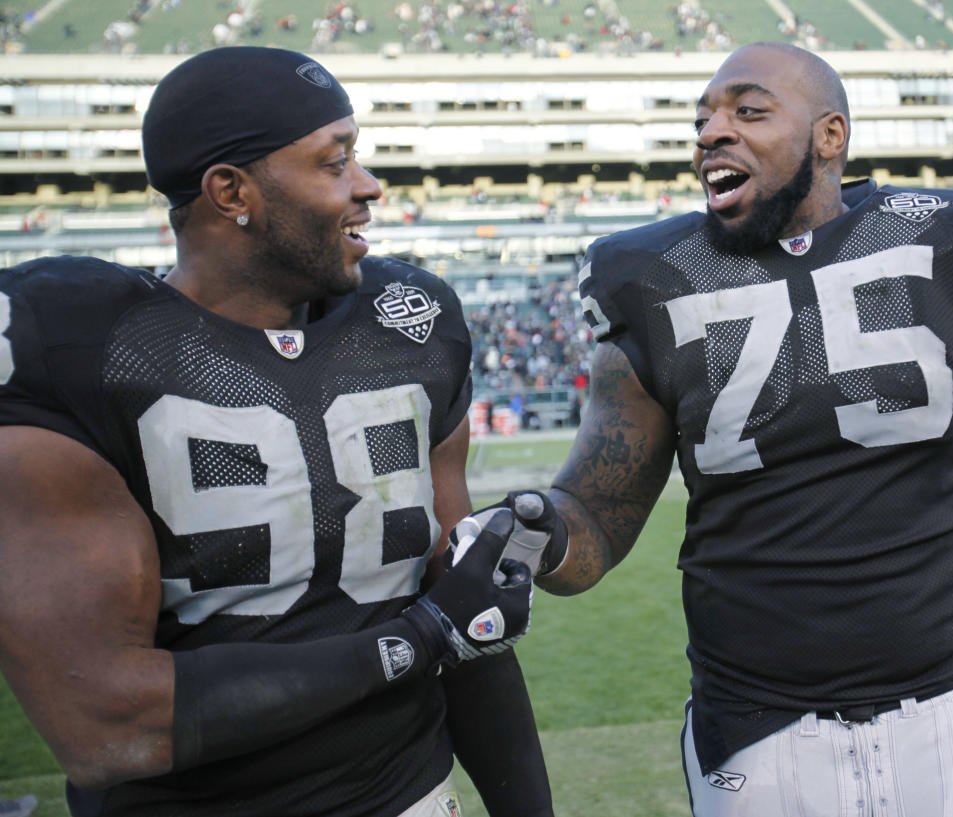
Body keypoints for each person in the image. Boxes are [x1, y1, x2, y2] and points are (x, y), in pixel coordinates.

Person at [462, 43, 953, 816]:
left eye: (747, 111)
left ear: (831, 136)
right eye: (703, 120)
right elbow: (596, 512)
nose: (711, 133)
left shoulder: (946, 248)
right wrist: (537, 536)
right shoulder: (653, 281)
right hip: (757, 733)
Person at [0, 47, 552, 817]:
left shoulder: (408, 324)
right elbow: (104, 726)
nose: (368, 186)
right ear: (234, 192)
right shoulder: (81, 349)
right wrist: (415, 640)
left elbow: (465, 615)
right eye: (335, 162)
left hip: (411, 795)